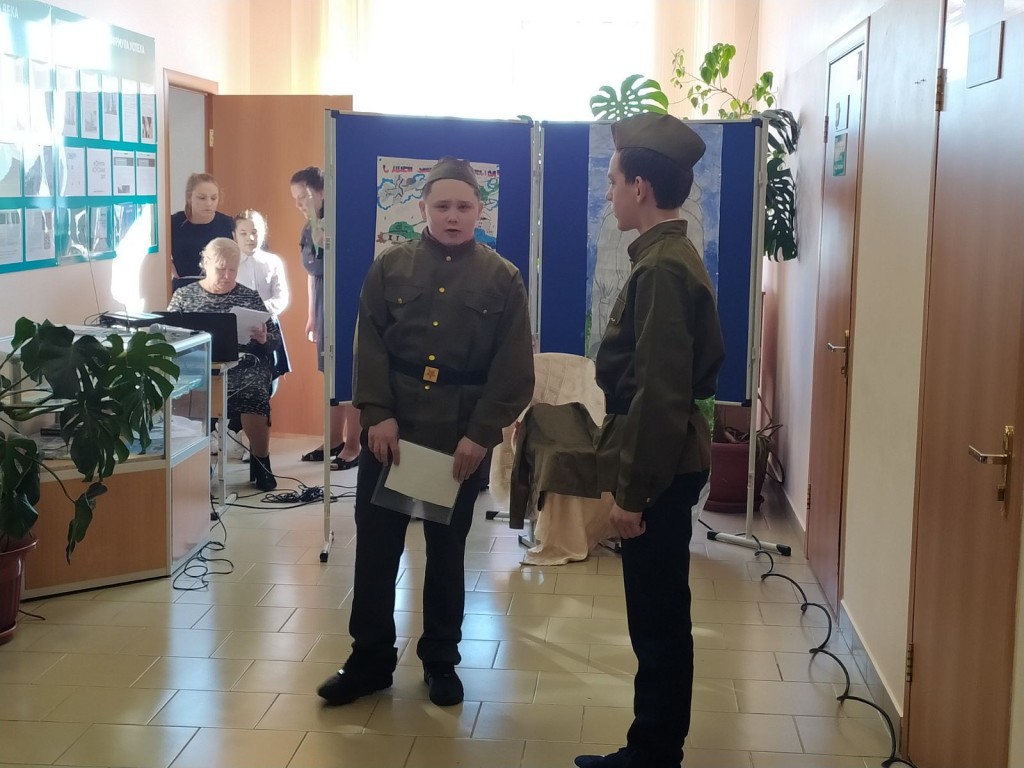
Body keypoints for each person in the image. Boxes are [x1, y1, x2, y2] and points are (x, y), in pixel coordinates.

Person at [316, 156, 534, 708]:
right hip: (393, 429)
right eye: (442, 206)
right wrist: (377, 413)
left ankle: (440, 659)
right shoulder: (390, 267)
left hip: (456, 436)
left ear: (480, 211)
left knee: (446, 552)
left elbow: (513, 369)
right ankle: (369, 660)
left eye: (463, 206)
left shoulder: (503, 278)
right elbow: (369, 345)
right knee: (377, 549)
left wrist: (480, 434)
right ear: (423, 208)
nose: (452, 216)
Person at [575, 114, 725, 768]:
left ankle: (654, 753)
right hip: (667, 458)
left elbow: (659, 395)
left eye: (613, 182)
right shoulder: (666, 255)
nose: (608, 193)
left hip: (659, 466)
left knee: (658, 619)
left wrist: (633, 494)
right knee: (661, 613)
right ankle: (656, 746)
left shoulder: (662, 266)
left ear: (640, 187)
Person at [167, 237, 283, 492]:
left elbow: (274, 340)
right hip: (199, 365)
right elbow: (169, 337)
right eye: (221, 269)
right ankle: (196, 460)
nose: (228, 275)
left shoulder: (249, 296)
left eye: (233, 269)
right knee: (189, 392)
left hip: (244, 364)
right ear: (206, 263)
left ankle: (261, 461)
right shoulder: (184, 296)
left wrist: (264, 337)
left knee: (253, 393)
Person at [290, 166, 361, 470]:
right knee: (329, 374)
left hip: (345, 303)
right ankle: (333, 440)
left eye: (303, 196)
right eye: (294, 199)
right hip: (322, 304)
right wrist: (311, 316)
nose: (299, 204)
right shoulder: (309, 227)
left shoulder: (341, 220)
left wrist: (328, 242)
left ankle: (354, 445)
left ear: (321, 191)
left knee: (348, 376)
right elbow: (311, 274)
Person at [170, 173, 235, 292]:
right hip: (183, 291)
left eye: (213, 198)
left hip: (220, 291)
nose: (209, 203)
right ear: (189, 197)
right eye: (202, 198)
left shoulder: (228, 224)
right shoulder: (173, 223)